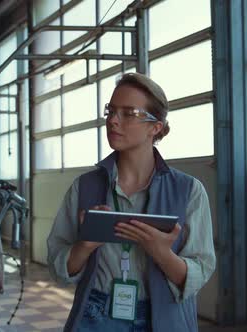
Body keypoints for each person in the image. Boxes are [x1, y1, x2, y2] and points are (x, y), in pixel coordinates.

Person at [47, 72, 216, 332]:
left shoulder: (190, 191)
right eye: (111, 111)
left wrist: (161, 252)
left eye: (128, 113)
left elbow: (199, 271)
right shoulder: (84, 187)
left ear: (155, 127)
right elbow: (59, 265)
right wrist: (85, 245)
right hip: (96, 316)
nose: (113, 121)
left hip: (164, 319)